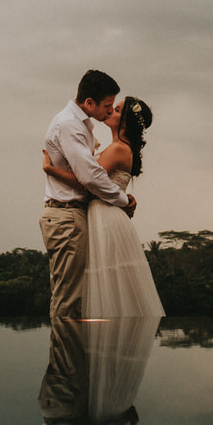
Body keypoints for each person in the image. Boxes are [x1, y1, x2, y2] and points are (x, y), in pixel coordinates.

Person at [43, 93, 164, 318]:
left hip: (105, 218)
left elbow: (86, 181)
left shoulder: (119, 149)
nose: (110, 112)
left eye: (116, 110)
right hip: (104, 214)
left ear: (126, 122)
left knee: (103, 281)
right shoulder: (118, 147)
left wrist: (51, 170)